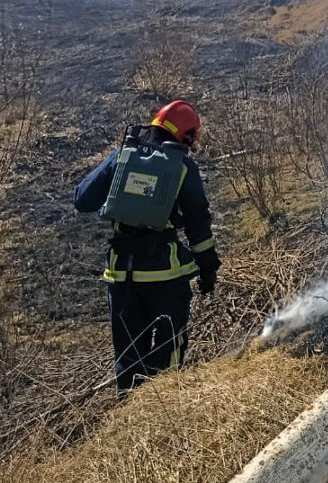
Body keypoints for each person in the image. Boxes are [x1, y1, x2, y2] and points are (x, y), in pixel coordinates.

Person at [74, 99, 220, 392]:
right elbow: (198, 224)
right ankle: (164, 416)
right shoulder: (182, 168)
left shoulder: (122, 157)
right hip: (164, 276)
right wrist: (208, 269)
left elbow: (83, 199)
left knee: (128, 359)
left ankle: (129, 420)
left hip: (121, 275)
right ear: (186, 135)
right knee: (169, 355)